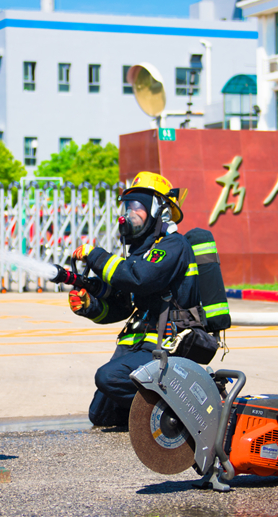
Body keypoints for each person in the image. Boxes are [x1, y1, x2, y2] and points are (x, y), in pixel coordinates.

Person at [68, 172, 201, 427]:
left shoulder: (173, 246)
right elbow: (123, 305)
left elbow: (140, 278)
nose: (128, 213)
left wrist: (96, 256)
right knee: (100, 415)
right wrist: (90, 306)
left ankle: (182, 410)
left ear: (159, 212)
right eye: (127, 206)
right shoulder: (142, 254)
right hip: (139, 347)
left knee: (108, 377)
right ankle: (152, 412)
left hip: (167, 347)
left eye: (137, 206)